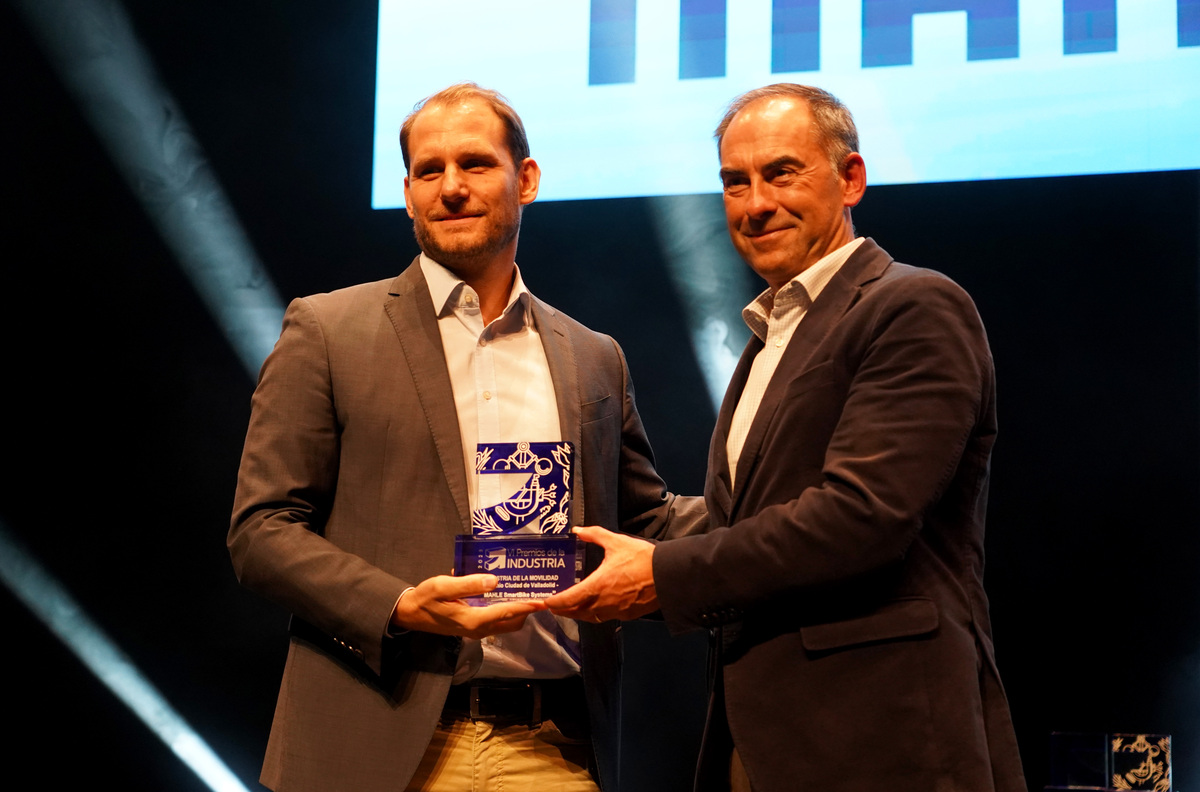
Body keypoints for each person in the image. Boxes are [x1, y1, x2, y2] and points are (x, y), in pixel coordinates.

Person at [547, 83, 1026, 792]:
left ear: (851, 179)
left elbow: (857, 520)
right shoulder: (770, 340)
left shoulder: (912, 305)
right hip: (772, 737)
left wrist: (659, 576)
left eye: (781, 173)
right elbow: (744, 518)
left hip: (882, 735)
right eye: (734, 183)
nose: (755, 203)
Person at [229, 82, 702, 792]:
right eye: (429, 170)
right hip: (375, 738)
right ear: (410, 192)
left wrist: (778, 501)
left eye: (476, 164)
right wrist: (396, 604)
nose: (451, 188)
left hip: (549, 747)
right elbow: (261, 530)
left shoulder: (592, 352)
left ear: (528, 180)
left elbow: (642, 521)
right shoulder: (328, 331)